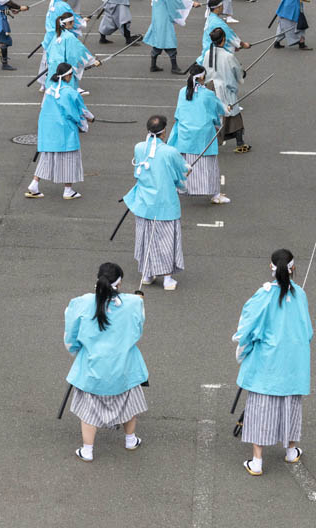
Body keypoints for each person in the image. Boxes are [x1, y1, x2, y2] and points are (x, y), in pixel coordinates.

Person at [234, 249, 313, 476]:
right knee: (291, 406)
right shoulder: (300, 294)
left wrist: (244, 348)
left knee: (260, 408)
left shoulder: (263, 295)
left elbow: (246, 328)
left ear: (272, 268)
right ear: (293, 268)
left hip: (266, 363)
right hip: (293, 364)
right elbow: (307, 331)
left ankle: (257, 461)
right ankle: (290, 450)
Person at [65, 261, 148, 462]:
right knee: (128, 405)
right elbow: (138, 330)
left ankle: (87, 449)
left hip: (93, 367)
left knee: (88, 411)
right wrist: (138, 301)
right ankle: (130, 439)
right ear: (119, 284)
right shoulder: (133, 304)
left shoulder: (81, 303)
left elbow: (71, 336)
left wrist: (76, 350)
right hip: (124, 366)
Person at [123, 115, 188, 290]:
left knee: (146, 238)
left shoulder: (139, 147)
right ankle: (167, 278)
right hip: (165, 202)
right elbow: (182, 170)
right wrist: (186, 173)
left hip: (145, 202)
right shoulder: (170, 151)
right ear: (164, 132)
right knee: (166, 240)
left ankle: (147, 273)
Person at [26, 63, 86, 200]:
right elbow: (78, 112)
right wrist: (89, 119)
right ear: (68, 76)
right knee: (70, 158)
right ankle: (68, 190)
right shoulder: (70, 92)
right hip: (65, 131)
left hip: (48, 128)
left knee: (46, 157)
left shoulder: (49, 90)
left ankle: (34, 184)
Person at [169, 66, 228, 205]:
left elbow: (178, 113)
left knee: (184, 164)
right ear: (202, 77)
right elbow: (219, 111)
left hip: (185, 134)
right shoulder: (208, 94)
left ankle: (180, 189)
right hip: (203, 135)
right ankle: (215, 194)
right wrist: (226, 109)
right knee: (209, 165)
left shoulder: (182, 91)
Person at [203, 28, 248, 152]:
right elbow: (236, 70)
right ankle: (239, 142)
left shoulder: (208, 53)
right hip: (225, 88)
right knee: (233, 113)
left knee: (213, 114)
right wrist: (242, 74)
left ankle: (212, 141)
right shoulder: (228, 56)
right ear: (223, 40)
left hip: (211, 87)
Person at [143, 0, 194, 74]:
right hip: (164, 23)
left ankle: (153, 66)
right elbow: (177, 0)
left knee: (157, 45)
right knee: (170, 45)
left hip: (157, 22)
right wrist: (192, 3)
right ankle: (174, 68)